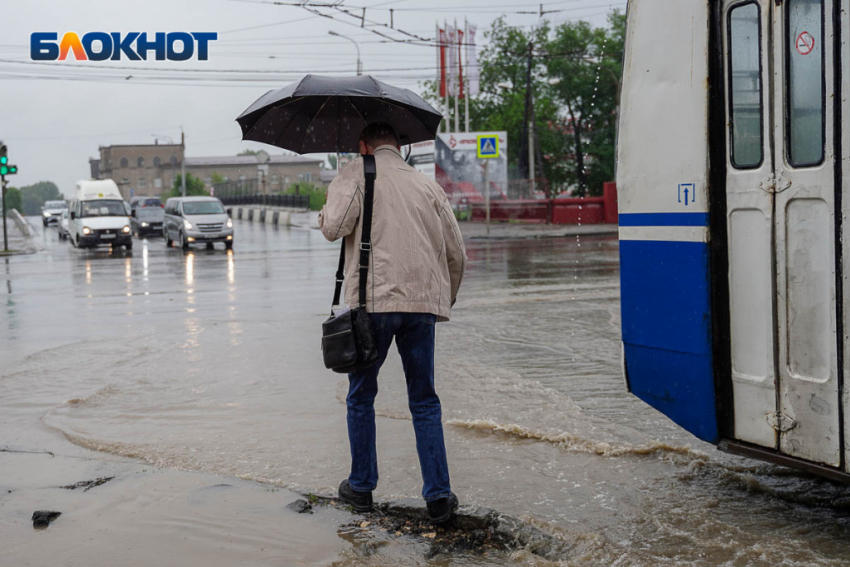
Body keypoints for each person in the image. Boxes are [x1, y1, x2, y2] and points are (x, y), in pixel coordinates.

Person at [318, 123, 467, 524]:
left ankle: (361, 489)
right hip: (422, 307)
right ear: (399, 146)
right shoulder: (425, 184)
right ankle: (439, 498)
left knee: (361, 396)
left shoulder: (356, 172)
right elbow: (456, 252)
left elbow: (334, 227)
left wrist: (331, 196)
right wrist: (441, 301)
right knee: (424, 400)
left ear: (364, 145)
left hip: (373, 304)